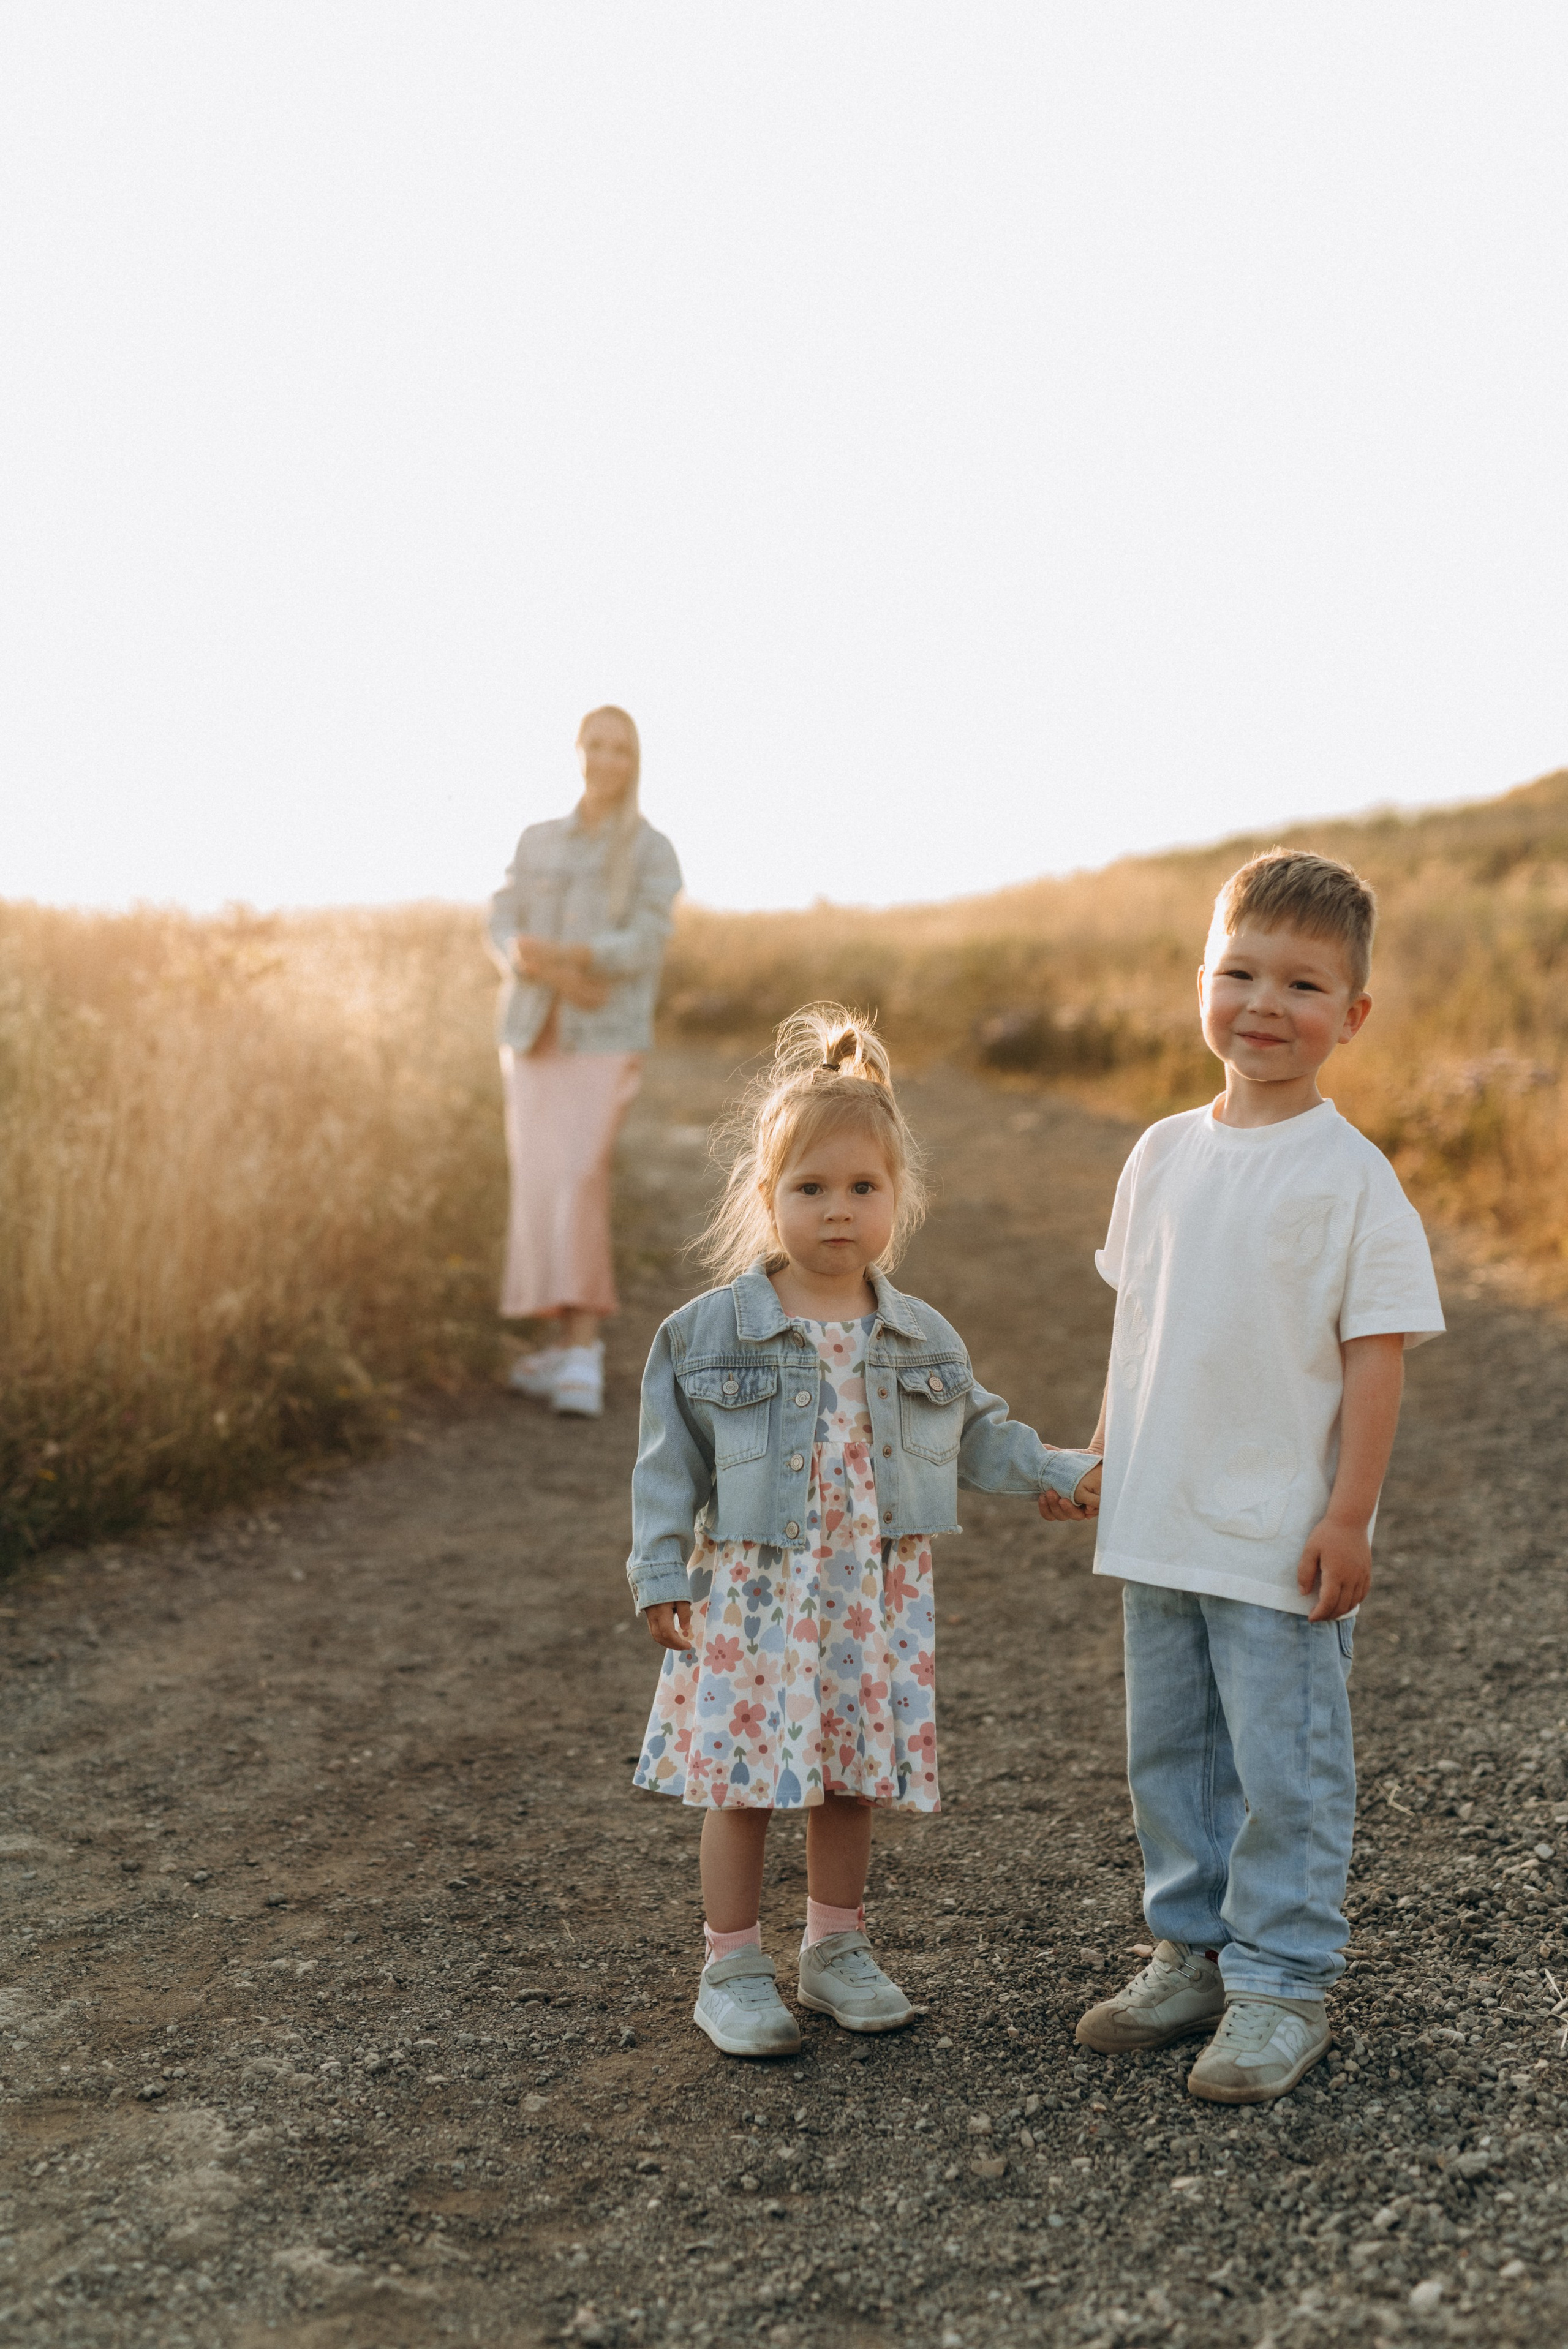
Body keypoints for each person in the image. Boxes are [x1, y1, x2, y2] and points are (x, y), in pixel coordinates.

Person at [625, 1005, 1103, 2058]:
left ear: (897, 1199)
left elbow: (979, 1433)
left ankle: (835, 1948)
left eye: (861, 1189)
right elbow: (669, 1464)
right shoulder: (710, 1332)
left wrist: (1060, 1474)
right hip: (757, 1594)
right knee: (743, 1779)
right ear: (768, 1199)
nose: (837, 1212)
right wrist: (661, 1569)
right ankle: (732, 1965)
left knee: (848, 1774)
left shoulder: (917, 1333)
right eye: (810, 1189)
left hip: (867, 1595)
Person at [1046, 849, 1444, 2103]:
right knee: (1170, 1752)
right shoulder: (1159, 1154)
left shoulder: (1351, 1180)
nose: (1262, 1004)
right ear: (1198, 982)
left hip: (1276, 1533)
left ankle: (1281, 1982)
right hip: (1161, 1521)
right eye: (1237, 971)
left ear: (1351, 1016)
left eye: (1300, 983)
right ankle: (1194, 1951)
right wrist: (1103, 1448)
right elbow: (1143, 1322)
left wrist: (1345, 1516)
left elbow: (1371, 1364)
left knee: (1282, 1762)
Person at [486, 706, 682, 1419]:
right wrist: (533, 961)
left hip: (604, 1038)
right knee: (539, 1185)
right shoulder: (536, 840)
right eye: (595, 745)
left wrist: (568, 959)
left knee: (580, 1176)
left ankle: (584, 1348)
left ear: (636, 760)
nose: (606, 759)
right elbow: (502, 920)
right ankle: (553, 1346)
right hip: (532, 1033)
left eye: (620, 749)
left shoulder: (652, 851)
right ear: (576, 752)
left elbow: (644, 944)